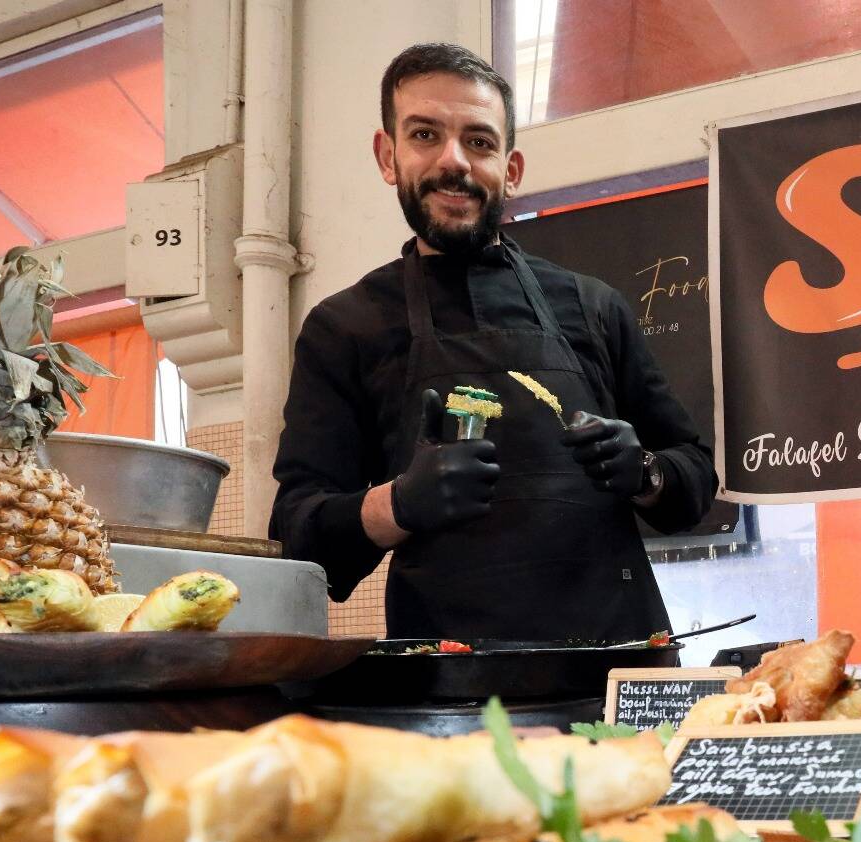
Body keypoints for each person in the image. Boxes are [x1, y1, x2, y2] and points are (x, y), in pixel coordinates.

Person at [269, 42, 717, 640]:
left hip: (617, 666)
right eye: (424, 135)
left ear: (511, 169)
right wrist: (399, 503)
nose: (453, 161)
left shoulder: (594, 307)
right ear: (388, 156)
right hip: (449, 679)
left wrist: (645, 470)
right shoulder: (345, 327)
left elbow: (695, 480)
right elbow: (297, 537)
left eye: (479, 142)